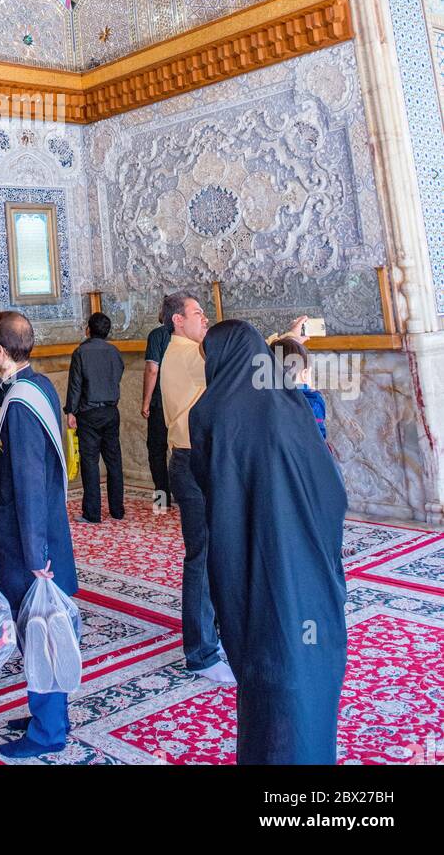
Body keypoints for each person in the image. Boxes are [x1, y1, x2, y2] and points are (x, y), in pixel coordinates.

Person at [190, 320, 348, 765]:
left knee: (269, 674)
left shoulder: (212, 412)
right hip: (309, 566)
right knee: (306, 669)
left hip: (249, 563)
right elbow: (333, 491)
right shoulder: (291, 404)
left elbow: (208, 482)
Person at [0, 309, 78, 760]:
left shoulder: (23, 408)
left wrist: (36, 556)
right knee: (37, 632)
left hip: (30, 546)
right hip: (38, 537)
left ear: (1, 350)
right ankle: (48, 715)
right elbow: (3, 389)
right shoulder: (35, 383)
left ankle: (48, 732)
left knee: (40, 631)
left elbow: (26, 482)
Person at [157, 291, 235, 685]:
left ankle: (213, 638)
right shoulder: (189, 355)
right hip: (192, 462)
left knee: (212, 553)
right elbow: (239, 360)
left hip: (197, 460)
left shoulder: (186, 352)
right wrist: (283, 341)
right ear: (178, 321)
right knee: (201, 556)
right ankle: (201, 653)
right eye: (198, 314)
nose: (204, 320)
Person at [65, 312, 125, 524]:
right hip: (110, 412)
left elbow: (75, 385)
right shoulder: (114, 352)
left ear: (88, 329)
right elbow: (118, 375)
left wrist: (70, 411)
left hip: (88, 414)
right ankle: (117, 509)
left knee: (90, 463)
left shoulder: (81, 352)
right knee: (114, 461)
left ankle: (93, 512)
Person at [141, 306, 172, 507]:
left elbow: (153, 370)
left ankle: (162, 501)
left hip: (161, 403)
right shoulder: (192, 337)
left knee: (157, 451)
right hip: (187, 405)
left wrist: (145, 402)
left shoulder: (157, 336)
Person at [270, 335, 328, 441]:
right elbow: (319, 439)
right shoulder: (313, 401)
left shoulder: (266, 399)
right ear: (305, 374)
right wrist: (314, 394)